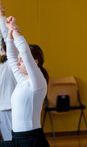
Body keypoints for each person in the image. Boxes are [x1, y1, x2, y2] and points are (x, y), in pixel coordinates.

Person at [0, 16, 50, 147]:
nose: (17, 62)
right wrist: (9, 34)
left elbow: (24, 51)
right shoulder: (22, 80)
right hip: (17, 138)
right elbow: (11, 57)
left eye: (21, 60)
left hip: (31, 140)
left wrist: (14, 29)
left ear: (34, 63)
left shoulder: (38, 82)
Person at [0, 2, 16, 141]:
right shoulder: (4, 64)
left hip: (8, 108)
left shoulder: (11, 63)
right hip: (4, 108)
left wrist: (1, 15)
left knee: (11, 141)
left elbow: (5, 38)